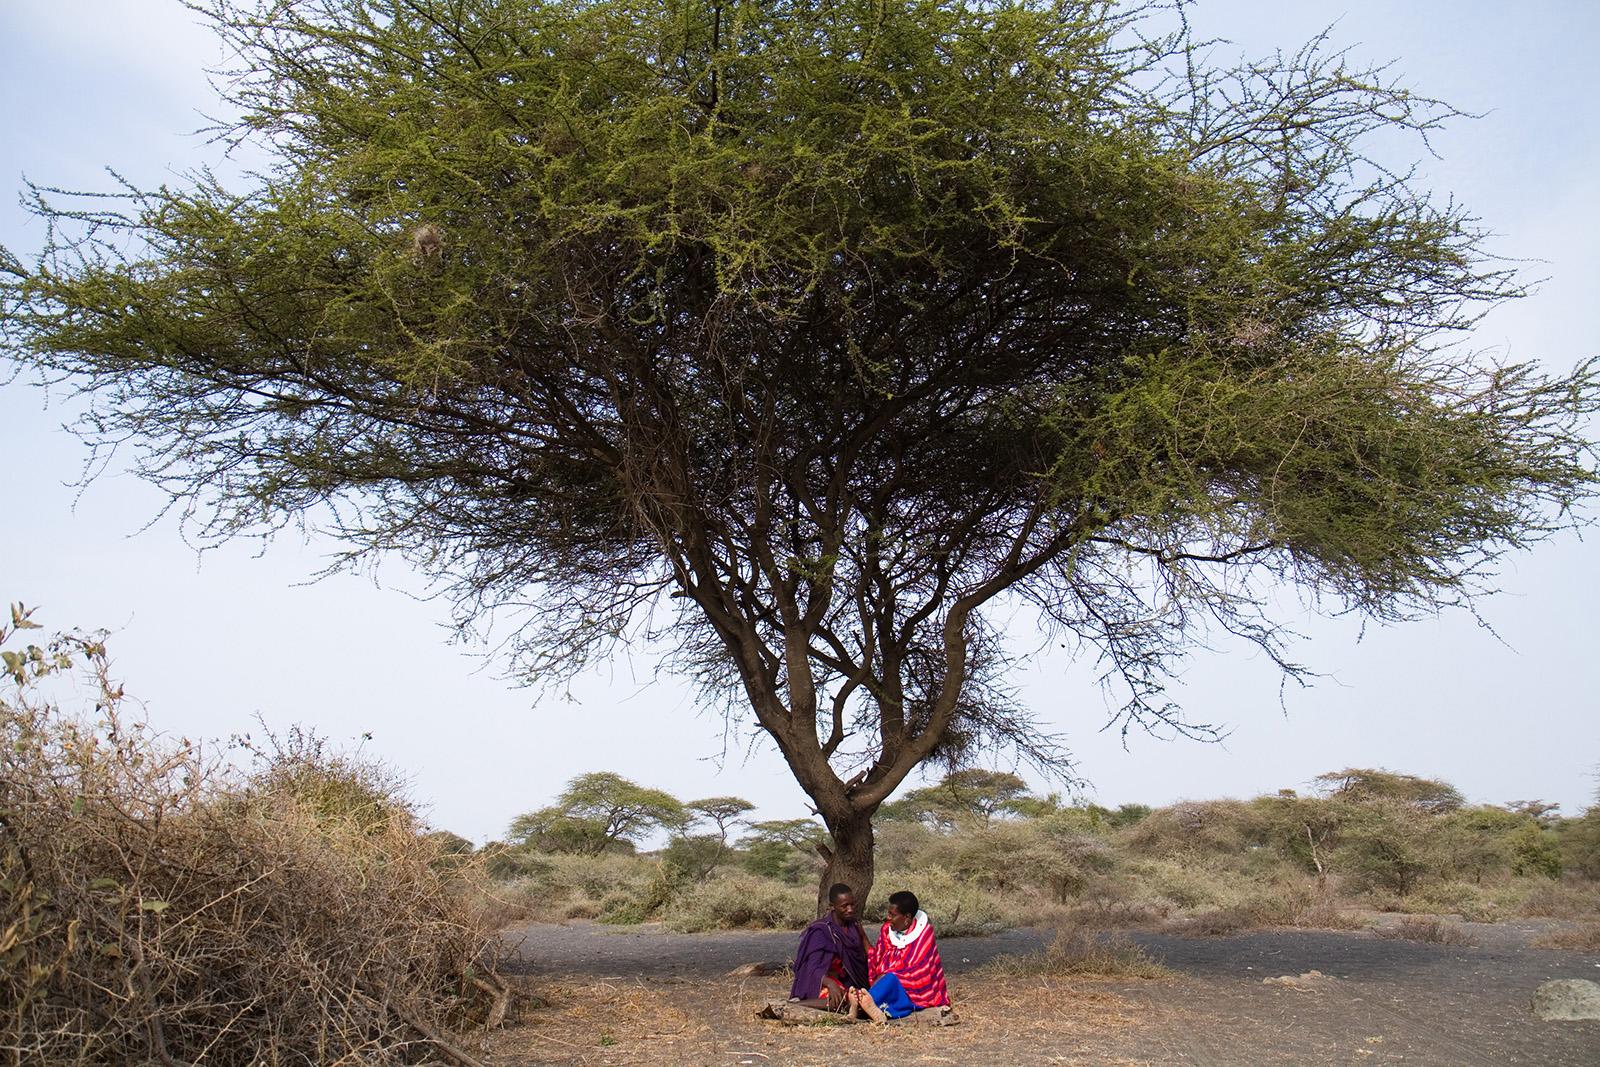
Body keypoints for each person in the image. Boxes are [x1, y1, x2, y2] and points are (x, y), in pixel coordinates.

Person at [848, 890, 951, 1024]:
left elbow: (922, 970)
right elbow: (877, 959)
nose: (888, 917)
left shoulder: (924, 934)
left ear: (907, 917)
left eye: (892, 914)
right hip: (885, 980)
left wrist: (892, 974)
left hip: (913, 988)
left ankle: (861, 1004)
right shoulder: (886, 930)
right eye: (888, 913)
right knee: (887, 980)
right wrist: (862, 936)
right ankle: (866, 1005)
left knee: (891, 979)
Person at [787, 882, 869, 1012]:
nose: (850, 909)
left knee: (859, 998)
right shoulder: (821, 931)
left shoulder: (853, 926)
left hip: (847, 982)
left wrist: (863, 936)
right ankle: (796, 1005)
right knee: (839, 1001)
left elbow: (865, 957)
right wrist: (831, 984)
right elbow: (811, 968)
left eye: (852, 904)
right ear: (832, 906)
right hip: (821, 982)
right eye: (844, 906)